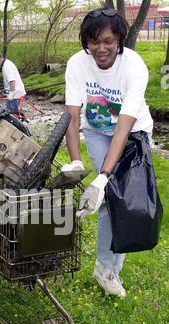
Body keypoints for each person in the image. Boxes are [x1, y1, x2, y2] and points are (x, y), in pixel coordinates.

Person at [63, 7, 153, 298]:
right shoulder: (77, 64)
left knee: (120, 197)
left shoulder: (134, 67)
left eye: (108, 41)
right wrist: (76, 160)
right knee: (108, 199)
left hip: (134, 132)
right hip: (97, 129)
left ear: (119, 41)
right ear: (86, 41)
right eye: (94, 41)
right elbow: (72, 117)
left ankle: (109, 270)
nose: (101, 48)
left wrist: (102, 177)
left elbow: (124, 127)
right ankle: (105, 268)